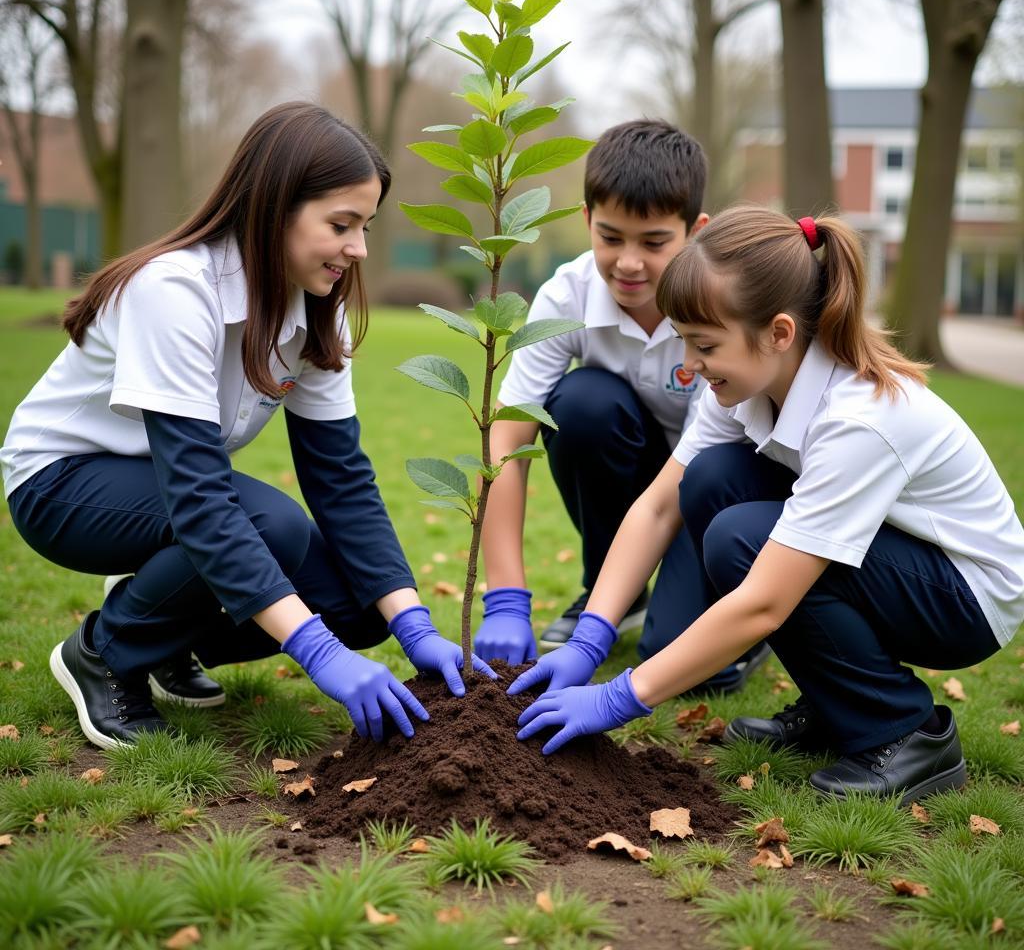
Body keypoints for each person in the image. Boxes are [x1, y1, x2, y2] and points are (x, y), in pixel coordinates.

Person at [2, 102, 494, 751]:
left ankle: (163, 634)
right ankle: (106, 651)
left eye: (367, 226)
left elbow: (341, 479)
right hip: (61, 485)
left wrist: (415, 626)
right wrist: (316, 653)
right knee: (272, 526)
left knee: (355, 603)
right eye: (342, 224)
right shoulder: (176, 292)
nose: (360, 249)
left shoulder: (317, 309)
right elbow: (202, 501)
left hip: (166, 490)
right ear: (275, 207)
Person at [511, 205, 1024, 805]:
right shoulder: (746, 384)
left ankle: (906, 732)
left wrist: (619, 695)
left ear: (779, 332)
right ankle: (836, 707)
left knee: (742, 539)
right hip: (899, 563)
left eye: (703, 345)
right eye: (684, 342)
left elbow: (764, 603)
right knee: (711, 478)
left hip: (965, 597)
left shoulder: (858, 419)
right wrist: (589, 641)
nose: (688, 365)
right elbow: (658, 507)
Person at [475, 119, 768, 694]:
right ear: (586, 221)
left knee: (676, 661)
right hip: (643, 465)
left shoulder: (724, 308)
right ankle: (619, 595)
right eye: (611, 237)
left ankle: (741, 610)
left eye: (654, 242)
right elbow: (506, 438)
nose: (628, 264)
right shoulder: (567, 296)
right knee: (582, 405)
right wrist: (505, 596)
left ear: (695, 231)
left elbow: (700, 474)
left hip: (713, 479)